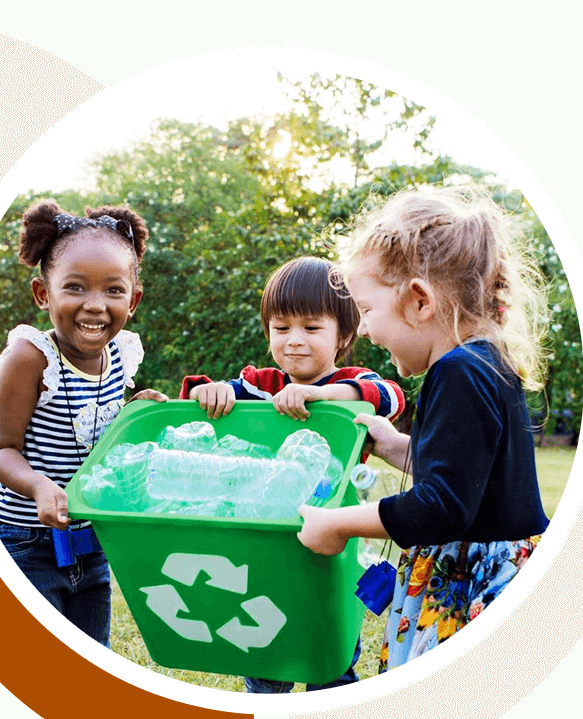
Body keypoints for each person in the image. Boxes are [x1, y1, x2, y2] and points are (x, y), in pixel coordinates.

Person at [296, 187, 549, 669]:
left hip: (469, 588)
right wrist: (395, 446)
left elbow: (443, 507)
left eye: (367, 311)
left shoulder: (456, 371)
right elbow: (468, 477)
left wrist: (338, 523)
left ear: (419, 301)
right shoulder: (485, 360)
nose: (364, 330)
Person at [180, 256, 405, 691]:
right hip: (265, 534)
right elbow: (212, 402)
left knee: (329, 647)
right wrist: (214, 390)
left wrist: (320, 393)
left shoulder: (352, 380)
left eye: (311, 328)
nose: (294, 341)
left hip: (333, 538)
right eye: (281, 329)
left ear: (344, 333)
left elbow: (387, 396)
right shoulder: (260, 383)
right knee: (264, 643)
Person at [0, 200, 167, 647]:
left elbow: (95, 434)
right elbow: (0, 449)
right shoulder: (31, 357)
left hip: (91, 541)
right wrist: (38, 486)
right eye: (75, 288)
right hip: (25, 541)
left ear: (134, 299)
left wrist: (136, 415)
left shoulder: (122, 353)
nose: (95, 306)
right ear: (43, 294)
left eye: (113, 291)